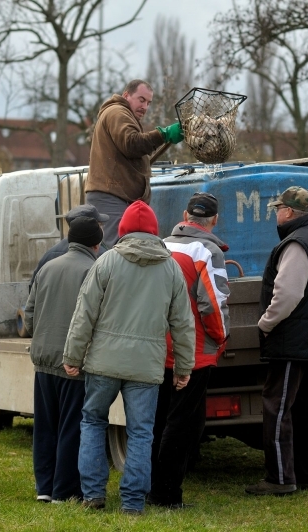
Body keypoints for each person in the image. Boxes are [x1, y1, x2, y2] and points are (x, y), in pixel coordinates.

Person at [62, 200, 195, 515]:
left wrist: (73, 355)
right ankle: (133, 503)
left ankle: (93, 495)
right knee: (141, 432)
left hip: (103, 362)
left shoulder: (106, 262)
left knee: (93, 421)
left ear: (122, 231)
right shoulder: (171, 268)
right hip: (146, 366)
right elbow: (183, 323)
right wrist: (184, 367)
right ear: (154, 231)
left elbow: (84, 313)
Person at [245, 186, 308, 496]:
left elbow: (288, 293)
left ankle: (280, 479)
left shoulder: (297, 243)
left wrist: (265, 323)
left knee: (277, 406)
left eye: (277, 209)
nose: (276, 214)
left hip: (292, 340)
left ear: (288, 212)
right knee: (303, 408)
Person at [149, 192, 231, 509]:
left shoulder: (162, 246)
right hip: (193, 351)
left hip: (158, 347)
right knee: (183, 425)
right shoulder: (207, 251)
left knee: (157, 421)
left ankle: (151, 486)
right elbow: (213, 305)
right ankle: (167, 494)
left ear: (185, 216)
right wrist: (220, 339)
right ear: (214, 220)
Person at [23, 216, 104, 503]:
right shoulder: (93, 270)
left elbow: (29, 315)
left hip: (43, 360)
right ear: (96, 244)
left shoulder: (47, 267)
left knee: (45, 427)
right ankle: (65, 490)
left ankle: (44, 488)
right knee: (72, 427)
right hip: (74, 363)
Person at [85, 79, 184, 249]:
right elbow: (131, 144)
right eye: (141, 100)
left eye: (148, 103)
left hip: (117, 196)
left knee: (124, 251)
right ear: (126, 95)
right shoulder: (117, 112)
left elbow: (131, 151)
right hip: (111, 197)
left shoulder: (122, 115)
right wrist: (164, 134)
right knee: (117, 252)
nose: (145, 107)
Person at [29, 204, 109, 291]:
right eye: (100, 225)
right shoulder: (102, 256)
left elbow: (33, 289)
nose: (102, 228)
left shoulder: (49, 255)